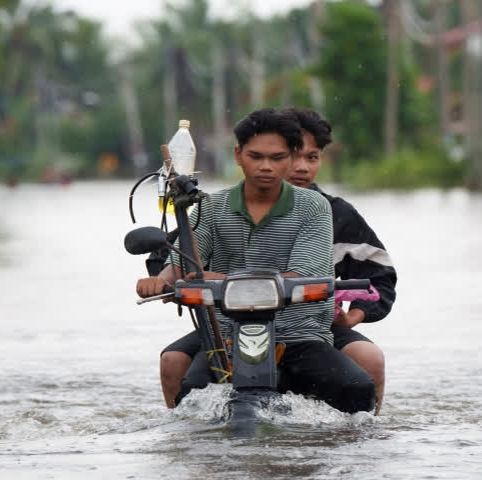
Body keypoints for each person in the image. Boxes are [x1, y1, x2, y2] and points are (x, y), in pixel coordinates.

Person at [137, 108, 375, 415]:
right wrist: (162, 280)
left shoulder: (314, 207)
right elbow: (183, 263)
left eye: (277, 158)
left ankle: (350, 456)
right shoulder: (212, 207)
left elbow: (300, 273)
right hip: (226, 337)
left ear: (290, 157)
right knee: (191, 396)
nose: (266, 166)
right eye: (256, 156)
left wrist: (211, 278)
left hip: (298, 335)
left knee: (357, 389)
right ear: (238, 155)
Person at [283, 107, 397, 414]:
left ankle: (362, 447)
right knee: (174, 361)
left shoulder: (337, 214)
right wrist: (164, 279)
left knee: (370, 358)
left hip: (317, 328)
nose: (302, 167)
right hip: (237, 328)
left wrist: (353, 316)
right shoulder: (229, 209)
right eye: (293, 155)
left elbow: (380, 275)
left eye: (312, 157)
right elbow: (178, 252)